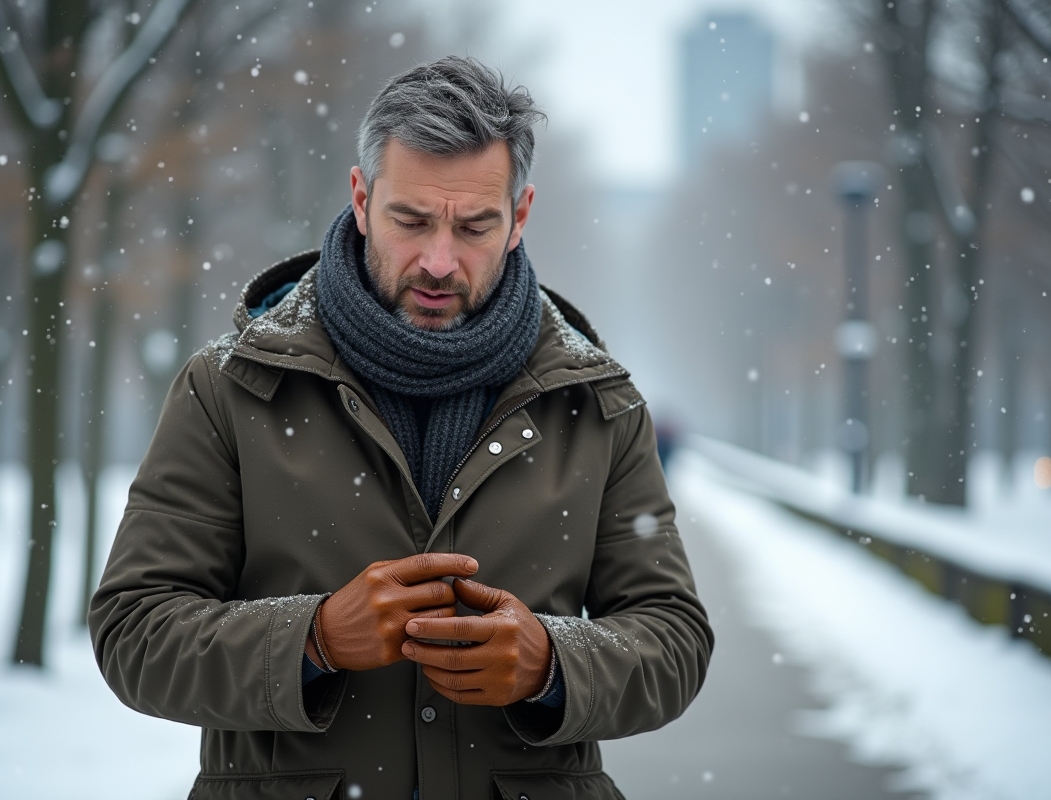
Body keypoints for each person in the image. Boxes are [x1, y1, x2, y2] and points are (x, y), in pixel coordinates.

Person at [89, 56, 713, 800]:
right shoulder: (227, 387)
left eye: (475, 225)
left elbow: (673, 638)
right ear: (361, 198)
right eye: (411, 220)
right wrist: (313, 640)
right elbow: (135, 629)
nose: (439, 261)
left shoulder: (600, 404)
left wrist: (552, 663)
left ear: (519, 217)